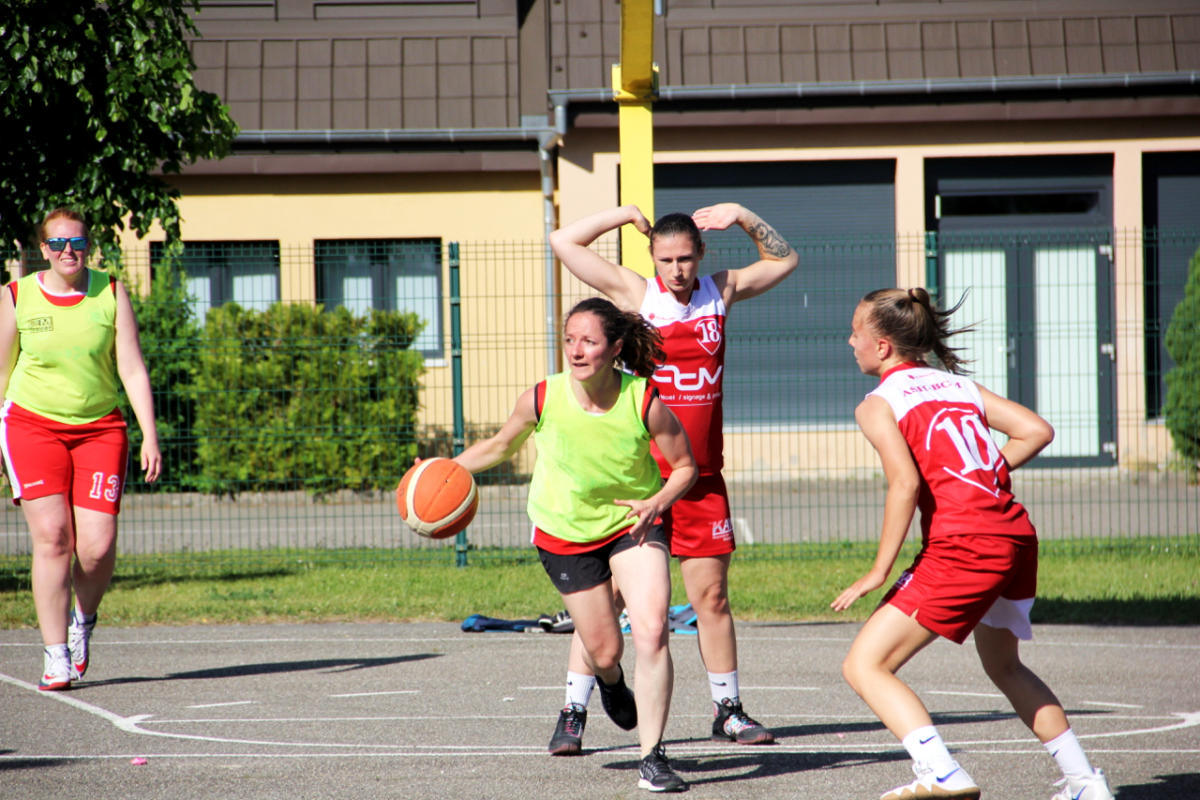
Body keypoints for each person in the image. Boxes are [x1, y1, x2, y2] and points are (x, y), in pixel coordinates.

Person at [832, 288, 1114, 800]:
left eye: (855, 333)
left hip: (964, 544)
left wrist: (878, 570)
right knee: (1005, 666)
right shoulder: (957, 385)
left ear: (882, 347)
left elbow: (904, 485)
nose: (849, 342)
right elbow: (1036, 430)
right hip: (1014, 537)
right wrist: (977, 473)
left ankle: (941, 773)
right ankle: (1085, 784)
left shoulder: (878, 404)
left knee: (865, 665)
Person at [547, 203, 797, 753]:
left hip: (700, 478)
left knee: (712, 598)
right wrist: (622, 214)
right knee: (608, 602)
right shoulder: (638, 294)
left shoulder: (720, 290)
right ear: (653, 259)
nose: (676, 269)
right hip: (641, 483)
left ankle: (728, 711)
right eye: (665, 259)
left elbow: (785, 260)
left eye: (685, 258)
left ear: (700, 254)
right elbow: (563, 242)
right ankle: (573, 710)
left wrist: (743, 216)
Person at [452, 297, 697, 792]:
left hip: (632, 524)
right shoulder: (543, 397)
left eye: (589, 341)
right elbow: (499, 446)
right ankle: (610, 681)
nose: (577, 351)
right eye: (570, 340)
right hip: (564, 532)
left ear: (615, 347)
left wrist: (657, 501)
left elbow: (686, 467)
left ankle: (652, 757)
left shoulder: (643, 400)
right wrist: (444, 469)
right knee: (605, 651)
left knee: (652, 631)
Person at [0, 208, 162, 690]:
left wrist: (150, 434)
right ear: (43, 250)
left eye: (77, 242)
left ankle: (82, 620)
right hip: (31, 426)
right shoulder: (16, 296)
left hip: (99, 429)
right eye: (57, 243)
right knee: (53, 538)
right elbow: (1, 371)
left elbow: (131, 367)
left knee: (96, 548)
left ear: (89, 246)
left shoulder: (110, 292)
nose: (67, 251)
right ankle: (55, 655)